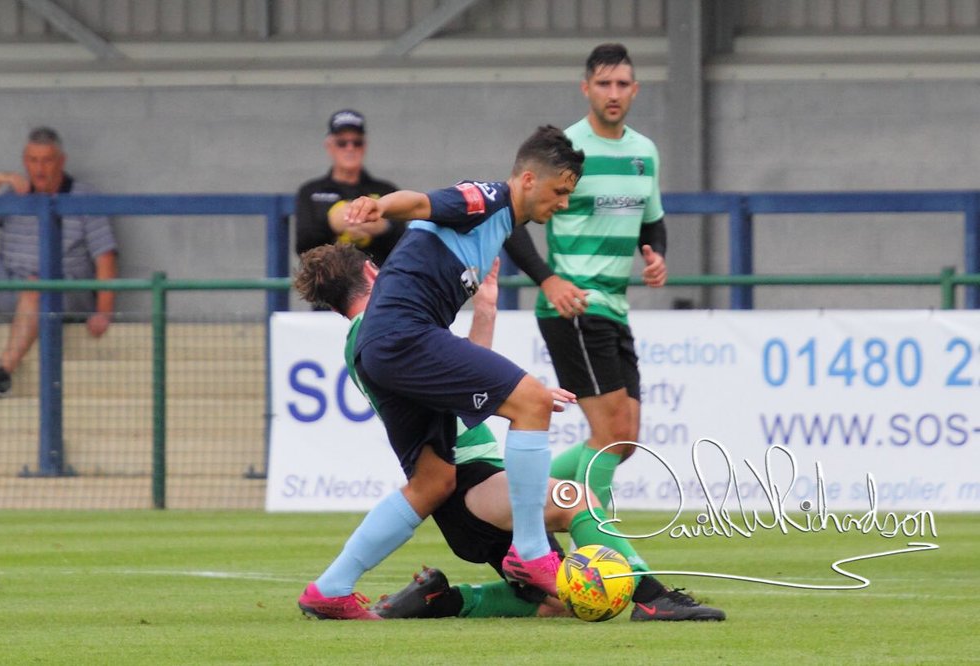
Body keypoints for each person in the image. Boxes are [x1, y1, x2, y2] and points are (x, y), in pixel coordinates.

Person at [294, 243, 724, 623]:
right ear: (373, 272)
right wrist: (517, 394)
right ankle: (652, 598)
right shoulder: (386, 333)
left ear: (332, 305)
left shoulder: (380, 335)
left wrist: (486, 311)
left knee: (559, 603)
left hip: (476, 487)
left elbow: (453, 378)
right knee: (579, 500)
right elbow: (455, 387)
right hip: (472, 483)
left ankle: (446, 600)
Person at [292, 125, 585, 619]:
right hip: (403, 335)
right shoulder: (489, 197)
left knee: (433, 482)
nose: (563, 204)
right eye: (561, 192)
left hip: (387, 348)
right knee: (532, 403)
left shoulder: (499, 231)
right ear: (529, 179)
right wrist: (382, 206)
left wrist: (488, 323)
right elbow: (424, 203)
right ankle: (532, 552)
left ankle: (330, 588)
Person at [504, 43, 668, 508]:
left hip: (614, 305)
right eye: (603, 83)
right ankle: (597, 541)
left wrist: (655, 255)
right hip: (575, 304)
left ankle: (511, 492)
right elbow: (510, 220)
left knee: (624, 440)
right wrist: (548, 280)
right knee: (610, 434)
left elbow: (652, 218)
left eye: (621, 84)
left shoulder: (644, 152)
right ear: (586, 89)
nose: (612, 93)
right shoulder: (566, 151)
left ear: (634, 90)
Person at [0, 127, 118, 398]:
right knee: (29, 286)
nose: (39, 169)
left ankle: (3, 371)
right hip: (13, 291)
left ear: (61, 161)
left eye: (47, 160)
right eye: (33, 160)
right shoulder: (15, 194)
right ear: (24, 161)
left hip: (64, 293)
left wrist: (103, 311)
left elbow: (105, 257)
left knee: (37, 286)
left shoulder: (84, 197)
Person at [294, 109, 404, 268]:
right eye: (342, 143)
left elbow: (404, 244)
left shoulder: (386, 190)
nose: (350, 148)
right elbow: (303, 246)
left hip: (378, 279)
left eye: (356, 142)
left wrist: (383, 228)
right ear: (329, 146)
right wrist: (331, 224)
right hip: (329, 280)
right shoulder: (310, 191)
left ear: (364, 146)